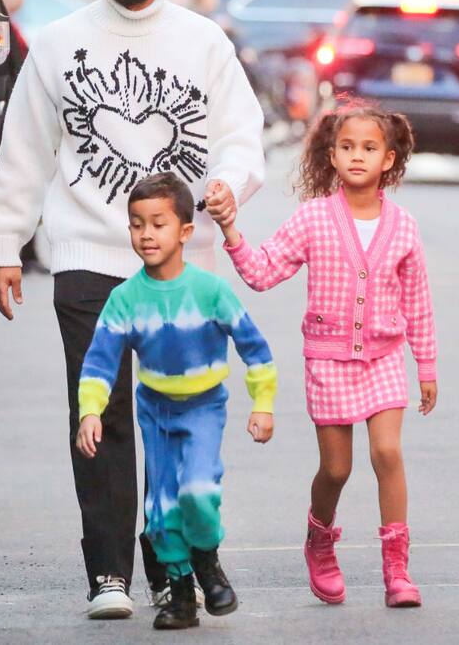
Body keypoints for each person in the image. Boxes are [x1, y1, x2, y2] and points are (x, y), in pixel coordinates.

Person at [0, 0, 265, 619]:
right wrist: (4, 245)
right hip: (85, 257)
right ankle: (108, 571)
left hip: (177, 268)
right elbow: (24, 151)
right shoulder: (56, 44)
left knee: (172, 419)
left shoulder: (202, 42)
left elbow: (241, 136)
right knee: (100, 413)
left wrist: (229, 185)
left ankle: (171, 567)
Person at [210, 101, 438, 609]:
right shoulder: (313, 218)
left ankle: (396, 568)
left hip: (383, 358)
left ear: (389, 159)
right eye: (347, 147)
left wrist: (425, 366)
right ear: (331, 156)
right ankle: (320, 538)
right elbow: (263, 271)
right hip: (329, 361)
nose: (357, 156)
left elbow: (418, 303)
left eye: (369, 148)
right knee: (336, 470)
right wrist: (231, 232)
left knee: (387, 452)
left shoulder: (402, 227)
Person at [76, 171, 276, 629]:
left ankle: (207, 560)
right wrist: (90, 411)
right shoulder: (125, 299)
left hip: (203, 407)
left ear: (185, 232)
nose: (146, 234)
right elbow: (99, 361)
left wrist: (262, 403)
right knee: (160, 512)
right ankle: (182, 595)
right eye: (137, 223)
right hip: (157, 411)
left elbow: (255, 349)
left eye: (158, 223)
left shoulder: (209, 291)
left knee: (199, 493)